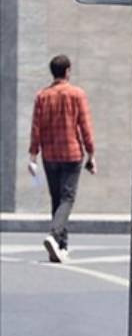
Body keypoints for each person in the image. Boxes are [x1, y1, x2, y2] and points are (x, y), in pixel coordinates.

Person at [27, 54, 96, 263]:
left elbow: (36, 127)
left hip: (50, 155)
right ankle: (54, 235)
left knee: (57, 200)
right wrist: (92, 153)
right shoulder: (77, 94)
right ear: (67, 71)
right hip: (72, 153)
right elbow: (85, 126)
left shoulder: (42, 96)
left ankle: (61, 247)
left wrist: (33, 155)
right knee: (67, 199)